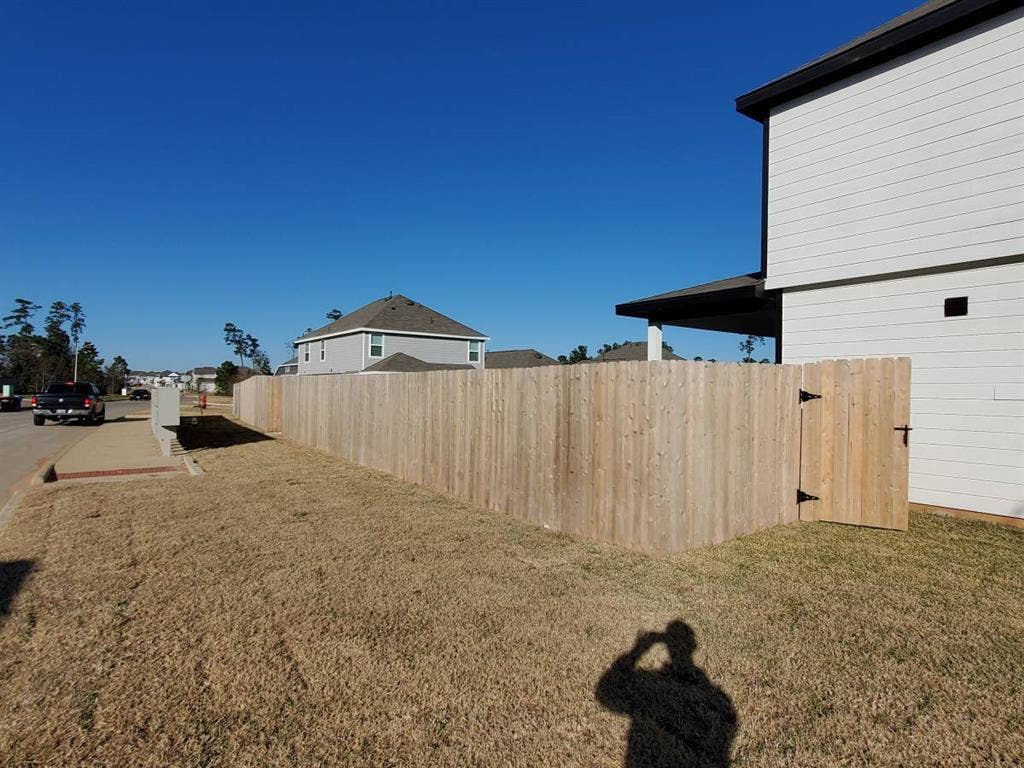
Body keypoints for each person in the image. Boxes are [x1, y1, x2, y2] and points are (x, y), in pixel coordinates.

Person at [595, 621, 736, 768]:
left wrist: (638, 649)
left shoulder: (706, 690)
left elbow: (605, 692)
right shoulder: (715, 695)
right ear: (694, 645)